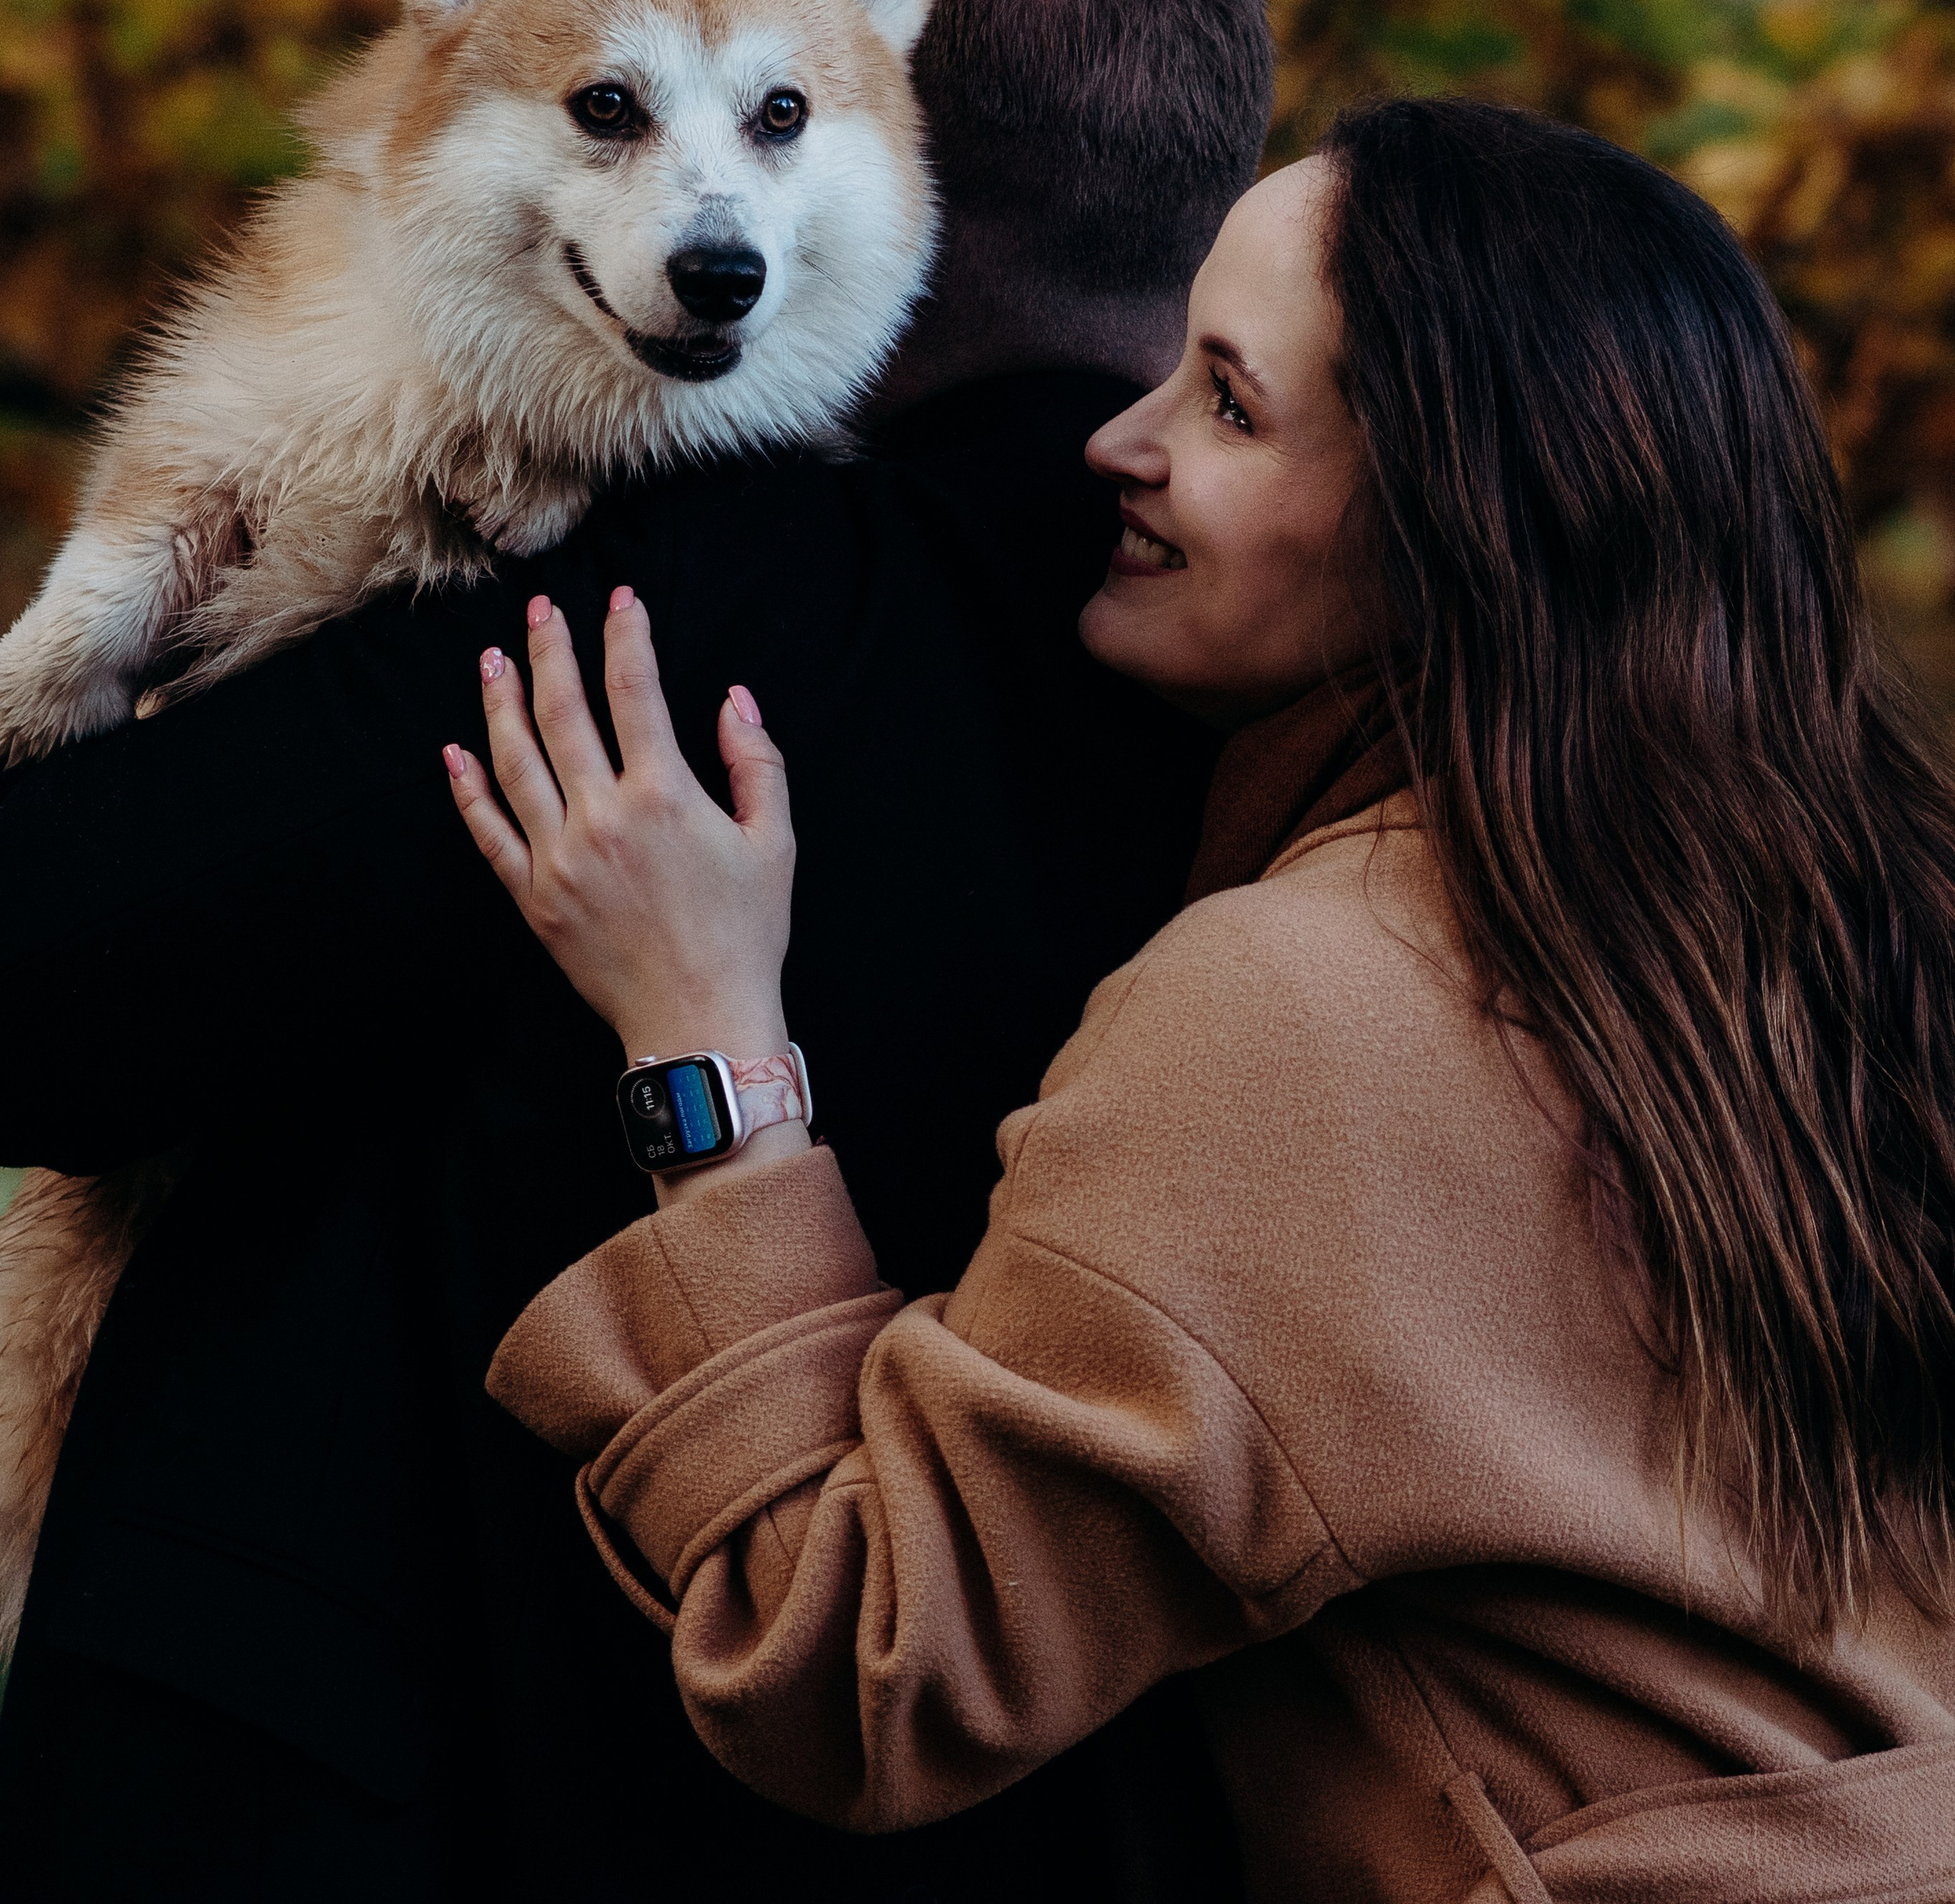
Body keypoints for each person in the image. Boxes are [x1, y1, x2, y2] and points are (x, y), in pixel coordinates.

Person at [0, 0, 1274, 1902]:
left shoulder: (677, 613)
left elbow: (45, 970)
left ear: (889, 110)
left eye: (772, 111)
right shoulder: (1334, 726)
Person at [467, 100, 1955, 1899]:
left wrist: (706, 1043)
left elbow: (861, 1661)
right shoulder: (1837, 919)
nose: (1120, 437)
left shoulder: (1309, 1007)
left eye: (1228, 405)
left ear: (1456, 527)